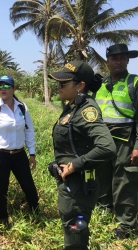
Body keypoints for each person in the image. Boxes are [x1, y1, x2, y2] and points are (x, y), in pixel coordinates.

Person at [48, 61, 116, 249]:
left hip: (78, 186)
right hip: (72, 185)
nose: (58, 87)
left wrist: (74, 165)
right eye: (58, 83)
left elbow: (107, 147)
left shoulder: (86, 110)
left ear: (80, 86)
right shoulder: (73, 106)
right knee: (73, 230)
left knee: (75, 235)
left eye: (63, 84)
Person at [0, 74, 39, 228]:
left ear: (13, 88)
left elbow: (29, 130)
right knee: (2, 187)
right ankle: (3, 218)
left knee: (29, 185)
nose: (2, 89)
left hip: (19, 155)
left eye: (6, 86)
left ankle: (36, 212)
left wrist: (32, 153)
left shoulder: (22, 108)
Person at [94, 44, 138, 239]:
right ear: (108, 61)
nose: (118, 61)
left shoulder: (134, 82)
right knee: (103, 177)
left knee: (124, 181)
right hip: (103, 141)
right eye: (114, 58)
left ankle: (127, 224)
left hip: (126, 142)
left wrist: (137, 146)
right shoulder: (102, 84)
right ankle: (105, 210)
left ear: (128, 60)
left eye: (122, 58)